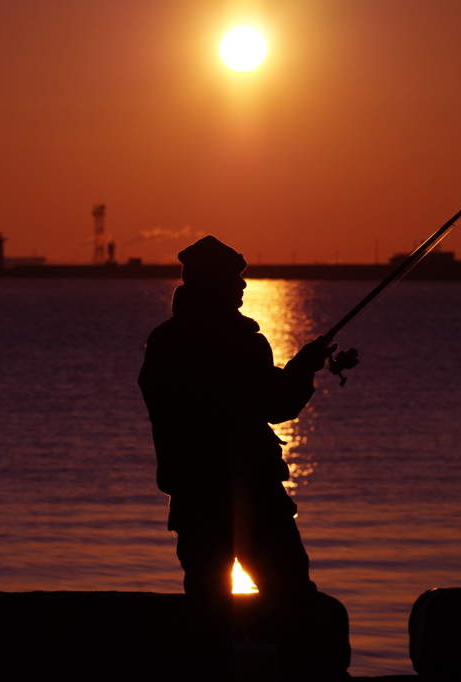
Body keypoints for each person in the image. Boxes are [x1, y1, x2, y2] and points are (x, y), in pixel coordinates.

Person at [138, 236, 334, 671]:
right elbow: (274, 405)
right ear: (217, 286)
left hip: (192, 497)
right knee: (290, 598)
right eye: (235, 280)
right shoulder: (240, 341)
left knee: (207, 608)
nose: (242, 288)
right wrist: (303, 368)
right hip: (255, 498)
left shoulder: (164, 342)